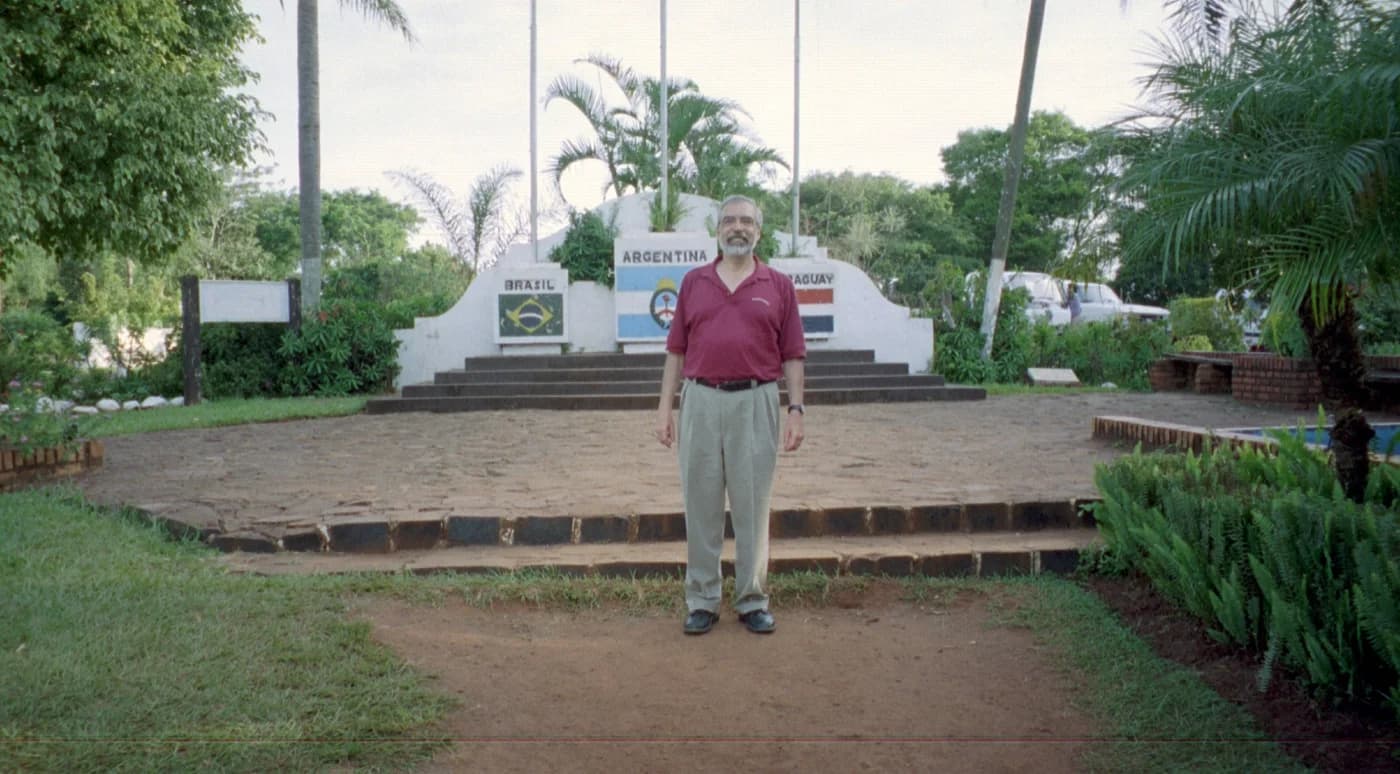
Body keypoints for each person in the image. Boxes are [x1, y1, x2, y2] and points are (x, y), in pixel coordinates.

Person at [655, 194, 806, 636]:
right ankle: (702, 598)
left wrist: (795, 408)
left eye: (746, 221)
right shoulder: (694, 283)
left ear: (758, 232)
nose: (737, 227)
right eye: (729, 221)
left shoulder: (778, 286)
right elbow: (675, 351)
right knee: (700, 504)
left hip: (757, 402)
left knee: (753, 506)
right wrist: (665, 407)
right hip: (700, 401)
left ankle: (751, 598)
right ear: (717, 230)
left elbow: (793, 354)